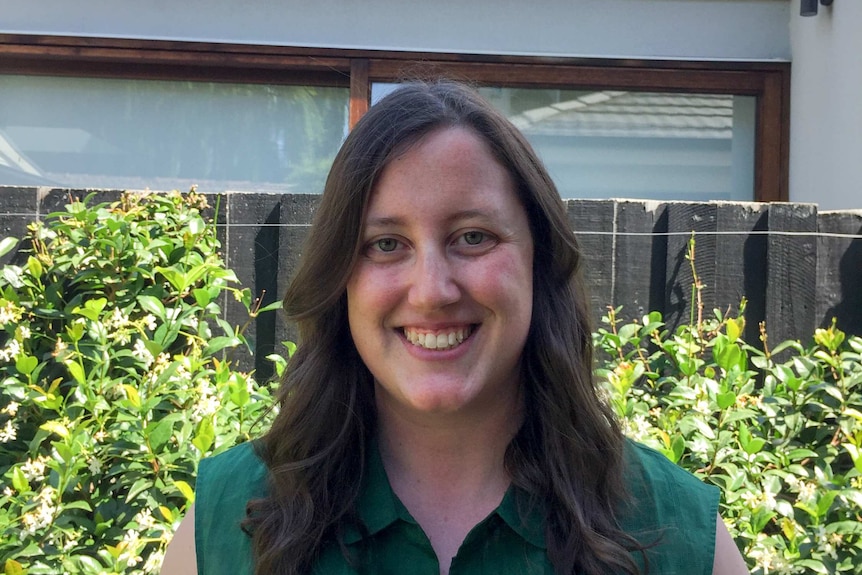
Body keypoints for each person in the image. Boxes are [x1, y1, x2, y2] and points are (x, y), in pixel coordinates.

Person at [161, 80, 749, 575]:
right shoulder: (222, 527)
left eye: (473, 237)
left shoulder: (684, 539)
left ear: (538, 261)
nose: (432, 290)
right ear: (340, 278)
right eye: (385, 244)